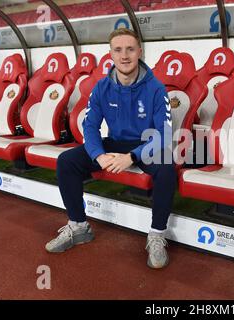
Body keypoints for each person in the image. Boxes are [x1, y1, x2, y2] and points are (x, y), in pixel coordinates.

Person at [45, 28, 176, 269]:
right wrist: (99, 155)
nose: (124, 55)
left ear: (140, 52)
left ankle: (157, 235)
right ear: (111, 54)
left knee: (167, 166)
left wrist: (132, 157)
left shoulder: (156, 89)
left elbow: (164, 134)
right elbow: (90, 126)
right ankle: (78, 227)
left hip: (145, 145)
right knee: (67, 161)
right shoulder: (102, 88)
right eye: (118, 50)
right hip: (114, 143)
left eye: (130, 49)